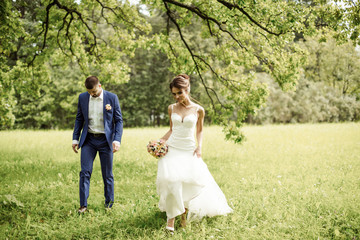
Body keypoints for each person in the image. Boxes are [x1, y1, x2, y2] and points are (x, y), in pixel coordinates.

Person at [157, 74, 233, 233]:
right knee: (170, 180)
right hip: (172, 149)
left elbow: (200, 131)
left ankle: (183, 213)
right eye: (174, 94)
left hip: (188, 149)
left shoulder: (199, 110)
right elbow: (172, 130)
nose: (177, 97)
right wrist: (159, 142)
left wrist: (200, 147)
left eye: (180, 93)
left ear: (187, 89)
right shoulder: (171, 108)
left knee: (185, 181)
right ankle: (170, 221)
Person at [72, 76, 123, 213]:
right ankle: (83, 206)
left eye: (93, 92)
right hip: (89, 140)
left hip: (106, 141)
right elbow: (79, 119)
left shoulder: (112, 98)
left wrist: (116, 140)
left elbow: (118, 120)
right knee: (85, 172)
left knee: (107, 174)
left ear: (99, 86)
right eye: (89, 92)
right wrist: (75, 139)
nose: (92, 94)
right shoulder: (83, 98)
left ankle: (109, 205)